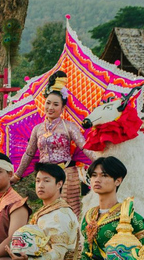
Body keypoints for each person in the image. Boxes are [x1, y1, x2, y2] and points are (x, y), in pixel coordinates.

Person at [11, 71, 96, 215]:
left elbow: (84, 147)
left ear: (63, 108)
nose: (50, 107)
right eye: (48, 103)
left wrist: (101, 162)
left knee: (69, 211)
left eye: (55, 104)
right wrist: (17, 175)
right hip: (45, 175)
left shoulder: (69, 127)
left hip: (67, 175)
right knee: (49, 211)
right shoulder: (37, 129)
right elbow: (29, 153)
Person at [6, 163, 80, 260]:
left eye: (46, 181)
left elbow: (59, 254)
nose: (40, 185)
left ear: (59, 184)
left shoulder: (59, 215)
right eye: (38, 180)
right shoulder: (47, 210)